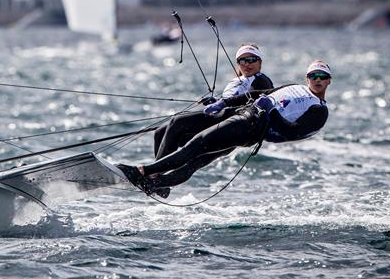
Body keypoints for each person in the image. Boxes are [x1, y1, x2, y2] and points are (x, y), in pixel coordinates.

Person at [119, 59, 332, 197]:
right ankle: (156, 184)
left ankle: (143, 172)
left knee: (198, 143)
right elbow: (252, 96)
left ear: (329, 81)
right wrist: (223, 103)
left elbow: (290, 133)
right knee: (195, 155)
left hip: (251, 126)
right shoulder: (292, 87)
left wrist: (271, 112)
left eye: (322, 77)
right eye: (314, 75)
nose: (317, 80)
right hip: (244, 115)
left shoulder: (319, 110)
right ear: (307, 78)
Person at [153, 43, 274, 162]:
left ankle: (155, 171)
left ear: (260, 62)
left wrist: (222, 103)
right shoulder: (238, 80)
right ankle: (156, 170)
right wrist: (216, 101)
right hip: (218, 117)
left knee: (177, 121)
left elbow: (256, 100)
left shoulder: (261, 80)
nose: (247, 64)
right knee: (160, 132)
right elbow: (234, 97)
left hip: (229, 123)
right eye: (242, 60)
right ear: (238, 63)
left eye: (252, 59)